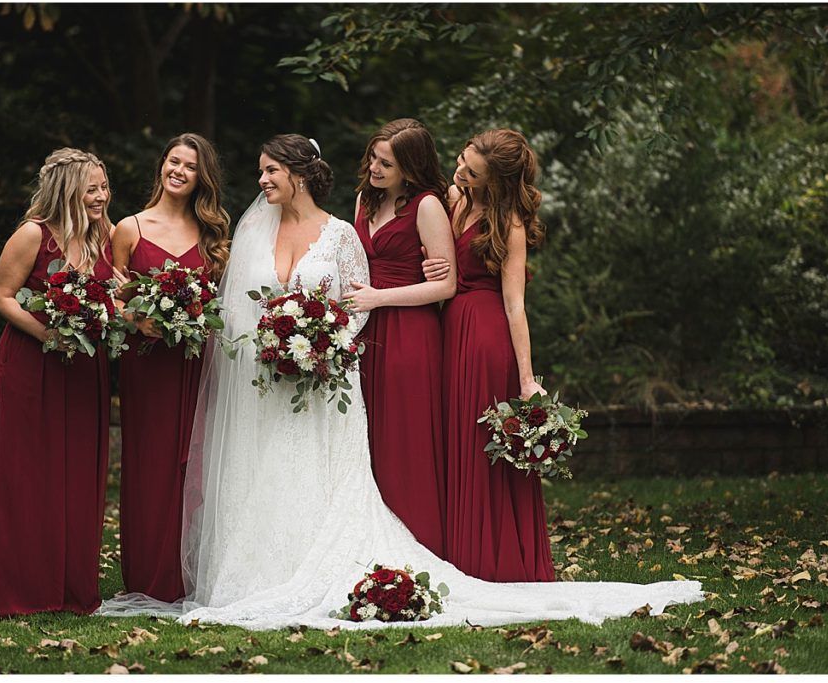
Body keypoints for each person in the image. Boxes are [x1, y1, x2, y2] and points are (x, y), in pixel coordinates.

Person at [97, 135, 703, 630]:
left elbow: (371, 295)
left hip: (367, 353)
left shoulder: (381, 222)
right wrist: (284, 338)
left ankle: (422, 554)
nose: (261, 182)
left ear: (299, 176)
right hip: (298, 367)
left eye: (270, 171)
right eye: (259, 172)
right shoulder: (330, 215)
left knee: (372, 458)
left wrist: (325, 343)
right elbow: (245, 307)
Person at [0, 147, 116, 616]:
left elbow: (120, 289)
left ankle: (71, 588)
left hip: (83, 370)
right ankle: (23, 587)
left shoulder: (104, 234)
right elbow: (2, 296)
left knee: (77, 470)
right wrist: (50, 334)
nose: (101, 196)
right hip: (33, 363)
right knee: (29, 470)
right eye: (91, 189)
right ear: (66, 191)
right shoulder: (32, 235)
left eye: (103, 186)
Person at [428, 128, 556, 582]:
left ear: (496, 182)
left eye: (473, 171)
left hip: (485, 337)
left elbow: (515, 305)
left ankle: (489, 558)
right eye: (462, 160)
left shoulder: (509, 225)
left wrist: (526, 378)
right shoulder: (454, 199)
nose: (460, 170)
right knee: (452, 439)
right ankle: (455, 549)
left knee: (480, 447)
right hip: (447, 327)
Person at [111, 133, 230, 602]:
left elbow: (221, 302)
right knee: (149, 460)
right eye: (173, 161)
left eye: (191, 166)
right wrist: (138, 320)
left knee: (194, 461)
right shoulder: (129, 228)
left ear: (203, 177)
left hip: (195, 362)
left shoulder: (212, 233)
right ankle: (146, 572)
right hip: (146, 363)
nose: (179, 171)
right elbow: (112, 297)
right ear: (161, 166)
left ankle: (190, 571)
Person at [344, 118, 456, 557]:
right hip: (364, 330)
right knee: (366, 436)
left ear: (410, 167)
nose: (374, 167)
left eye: (386, 162)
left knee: (404, 439)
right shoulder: (362, 201)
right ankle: (372, 546)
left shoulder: (427, 206)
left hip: (410, 333)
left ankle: (419, 547)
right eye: (373, 156)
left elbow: (445, 285)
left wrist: (379, 297)